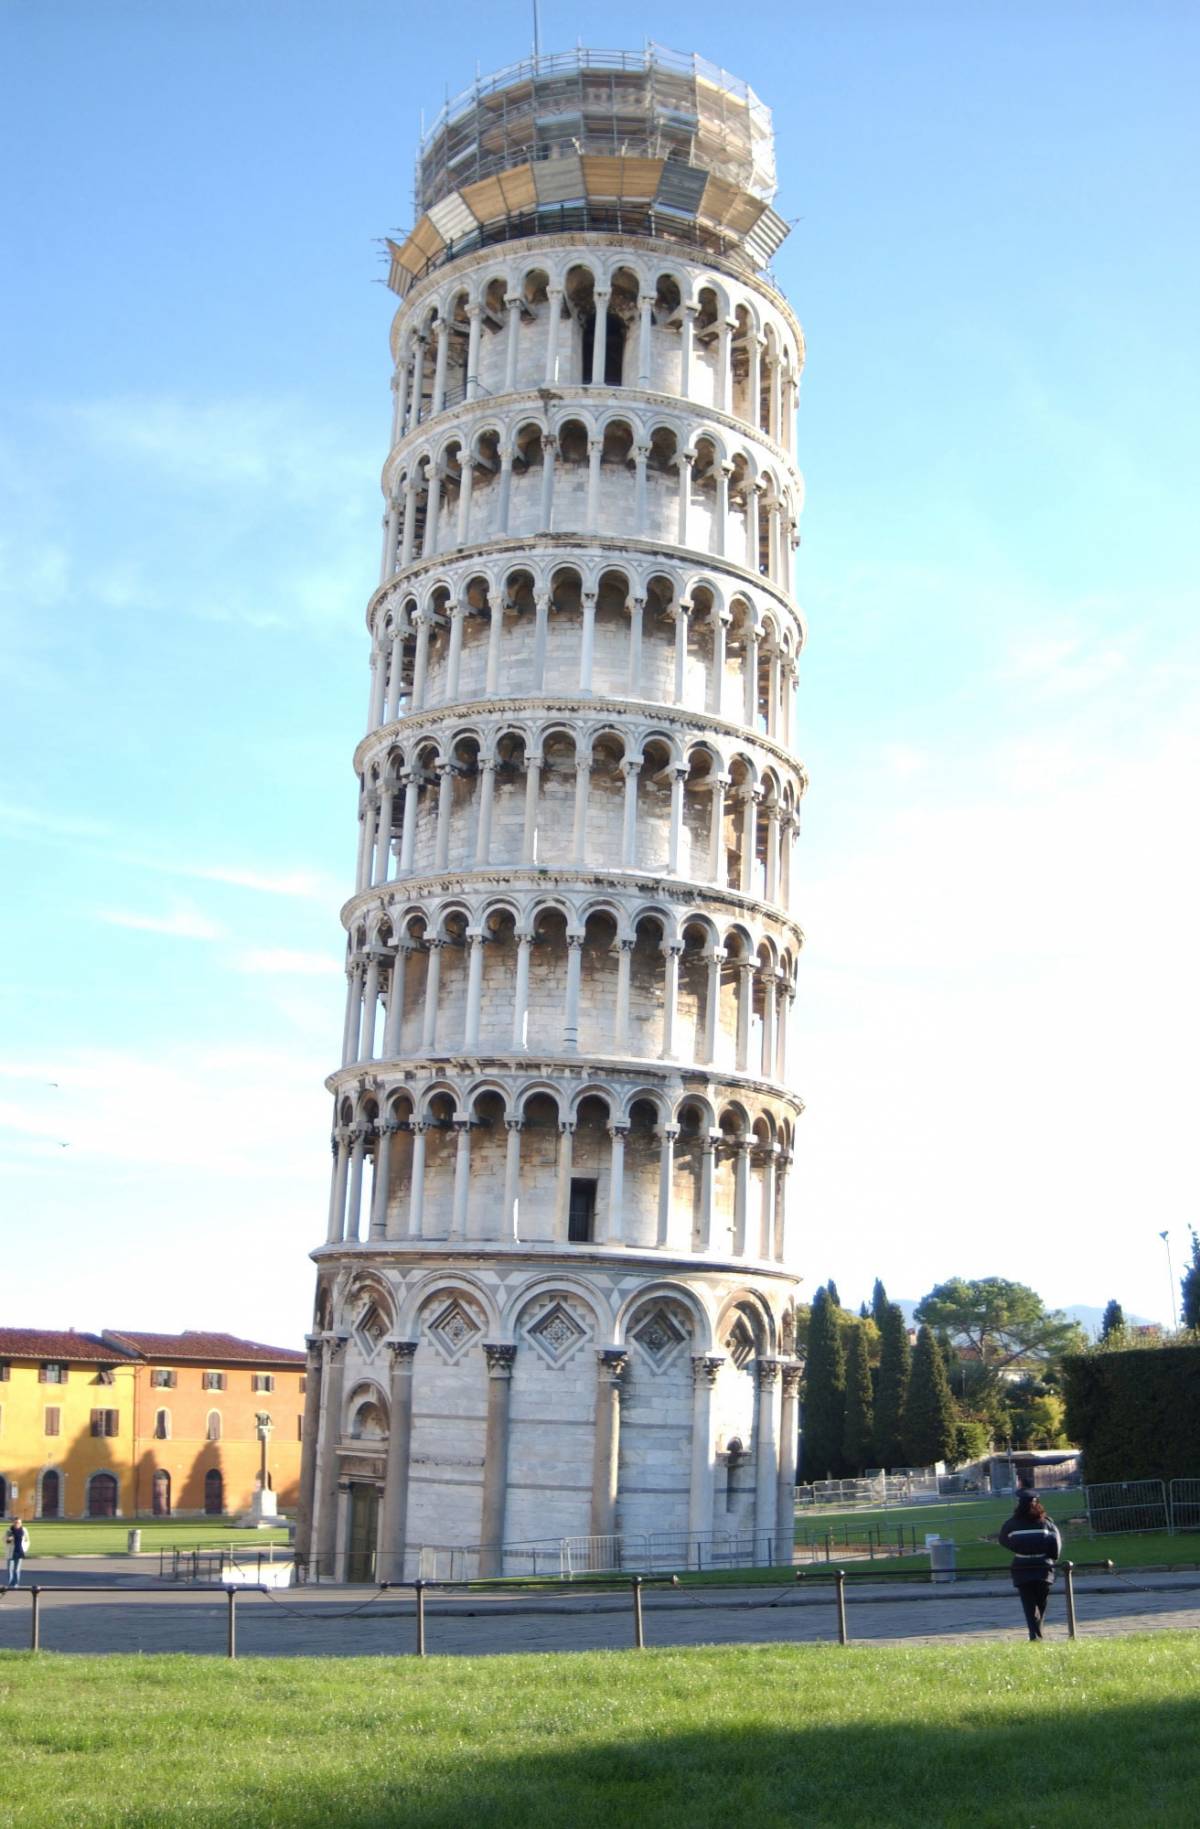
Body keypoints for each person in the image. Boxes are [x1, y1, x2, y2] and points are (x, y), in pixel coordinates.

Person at [998, 1491, 1061, 1640]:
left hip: (1022, 1565)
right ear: (1037, 1504)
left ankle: (1035, 1635)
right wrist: (1052, 1556)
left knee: (1029, 1605)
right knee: (1041, 1603)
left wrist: (1017, 1547)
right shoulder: (1046, 1522)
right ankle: (1036, 1635)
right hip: (1043, 1566)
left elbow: (1002, 1539)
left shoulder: (1012, 1523)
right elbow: (1056, 1542)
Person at [5, 1517, 30, 1588]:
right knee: (9, 1569)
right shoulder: (9, 1530)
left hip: (19, 1551)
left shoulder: (24, 1530)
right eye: (15, 1522)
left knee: (16, 1569)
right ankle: (10, 1584)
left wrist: (24, 1549)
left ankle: (16, 1584)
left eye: (19, 1522)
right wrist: (8, 1539)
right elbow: (4, 1540)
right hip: (11, 1552)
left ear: (21, 1523)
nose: (17, 1524)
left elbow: (27, 1541)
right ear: (13, 1523)